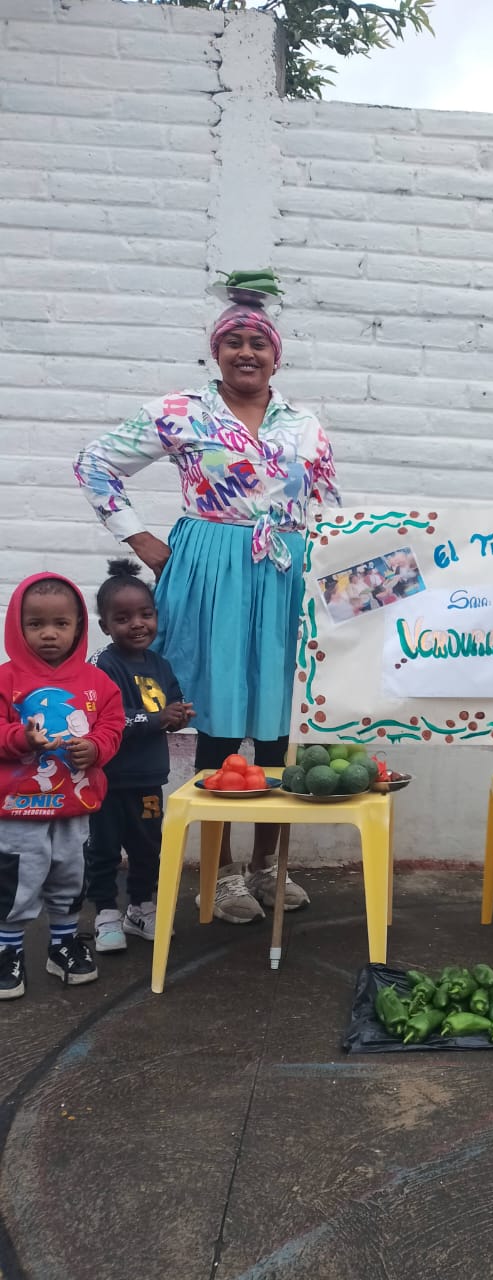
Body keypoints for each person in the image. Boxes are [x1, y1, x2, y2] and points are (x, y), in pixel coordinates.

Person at [74, 295, 340, 924]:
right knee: (217, 719)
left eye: (259, 343)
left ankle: (268, 864)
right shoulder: (181, 412)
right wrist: (141, 539)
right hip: (211, 574)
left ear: (277, 356)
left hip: (285, 575)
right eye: (233, 342)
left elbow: (331, 508)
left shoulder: (304, 425)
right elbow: (94, 463)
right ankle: (220, 875)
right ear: (215, 352)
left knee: (279, 726)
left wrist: (346, 584)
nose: (246, 353)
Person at [0, 573, 124, 999]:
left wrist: (96, 747)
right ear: (18, 627)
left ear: (78, 627)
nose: (49, 634)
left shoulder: (97, 683)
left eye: (61, 624)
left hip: (75, 807)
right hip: (19, 810)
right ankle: (8, 949)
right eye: (36, 624)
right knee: (17, 878)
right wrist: (20, 738)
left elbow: (112, 725)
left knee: (71, 875)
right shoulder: (6, 680)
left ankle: (63, 943)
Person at [85, 559, 194, 954]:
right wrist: (156, 718)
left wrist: (178, 716)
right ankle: (105, 913)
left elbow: (171, 703)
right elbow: (106, 717)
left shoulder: (160, 665)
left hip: (148, 778)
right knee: (104, 849)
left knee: (148, 846)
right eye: (123, 618)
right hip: (108, 780)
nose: (137, 624)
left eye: (146, 614)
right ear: (105, 626)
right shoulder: (103, 664)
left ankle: (140, 907)